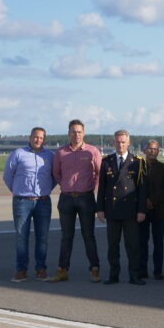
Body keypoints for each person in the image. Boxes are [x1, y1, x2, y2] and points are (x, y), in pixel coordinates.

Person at [48, 119, 102, 283]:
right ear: (69, 133)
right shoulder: (60, 153)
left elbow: (99, 173)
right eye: (73, 131)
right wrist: (66, 185)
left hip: (86, 198)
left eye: (79, 131)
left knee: (88, 235)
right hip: (66, 198)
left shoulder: (92, 151)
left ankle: (94, 268)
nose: (76, 134)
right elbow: (56, 173)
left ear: (83, 133)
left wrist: (92, 187)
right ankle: (62, 270)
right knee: (66, 236)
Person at [3, 126, 55, 282]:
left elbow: (55, 177)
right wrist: (18, 190)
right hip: (22, 202)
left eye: (41, 137)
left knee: (43, 237)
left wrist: (46, 189)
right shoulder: (18, 154)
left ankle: (41, 269)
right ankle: (21, 270)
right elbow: (7, 175)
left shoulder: (50, 156)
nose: (37, 140)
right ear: (30, 137)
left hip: (43, 202)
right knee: (21, 237)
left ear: (44, 139)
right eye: (35, 137)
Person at [96, 130, 147, 285]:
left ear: (128, 143)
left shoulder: (137, 162)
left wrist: (141, 210)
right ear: (113, 143)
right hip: (112, 210)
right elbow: (102, 187)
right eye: (118, 142)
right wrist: (100, 209)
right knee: (113, 246)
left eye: (123, 142)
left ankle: (134, 275)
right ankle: (113, 275)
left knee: (132, 246)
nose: (120, 144)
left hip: (131, 210)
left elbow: (142, 189)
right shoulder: (107, 162)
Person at [139, 140, 164, 280]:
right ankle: (142, 270)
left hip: (159, 209)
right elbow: (135, 187)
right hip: (142, 210)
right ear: (144, 150)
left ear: (158, 151)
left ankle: (157, 271)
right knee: (142, 242)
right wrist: (144, 201)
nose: (152, 151)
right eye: (150, 149)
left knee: (158, 242)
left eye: (155, 149)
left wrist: (152, 201)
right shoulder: (138, 166)